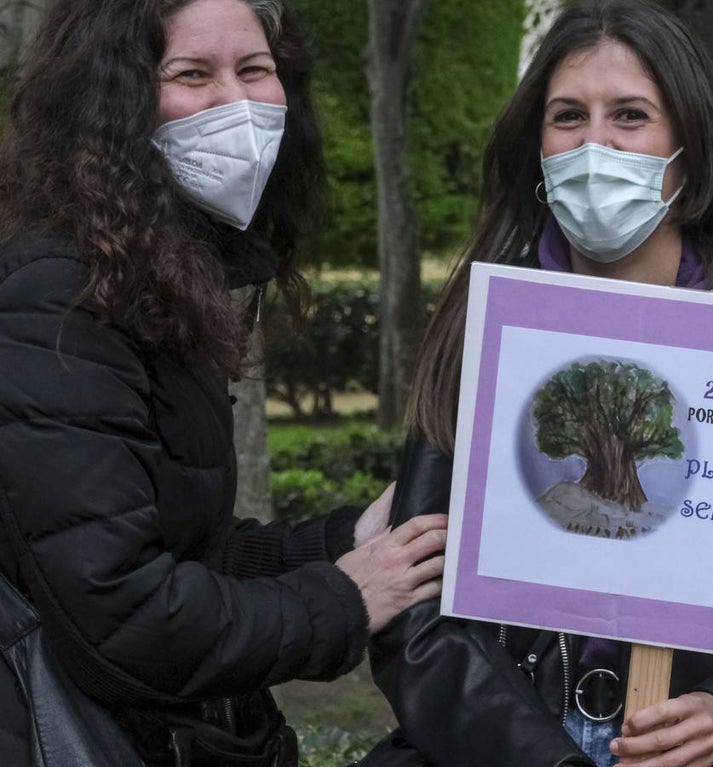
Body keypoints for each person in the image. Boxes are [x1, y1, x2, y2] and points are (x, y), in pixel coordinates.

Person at [369, 1, 713, 766]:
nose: (595, 144)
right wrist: (536, 755)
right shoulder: (486, 336)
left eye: (630, 116)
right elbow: (413, 613)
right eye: (567, 116)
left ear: (688, 148)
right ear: (537, 148)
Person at [0, 0, 446, 764]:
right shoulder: (60, 295)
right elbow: (120, 615)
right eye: (191, 74)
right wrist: (345, 597)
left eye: (255, 70)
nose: (236, 105)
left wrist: (347, 540)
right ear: (113, 98)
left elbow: (181, 547)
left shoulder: (147, 274)